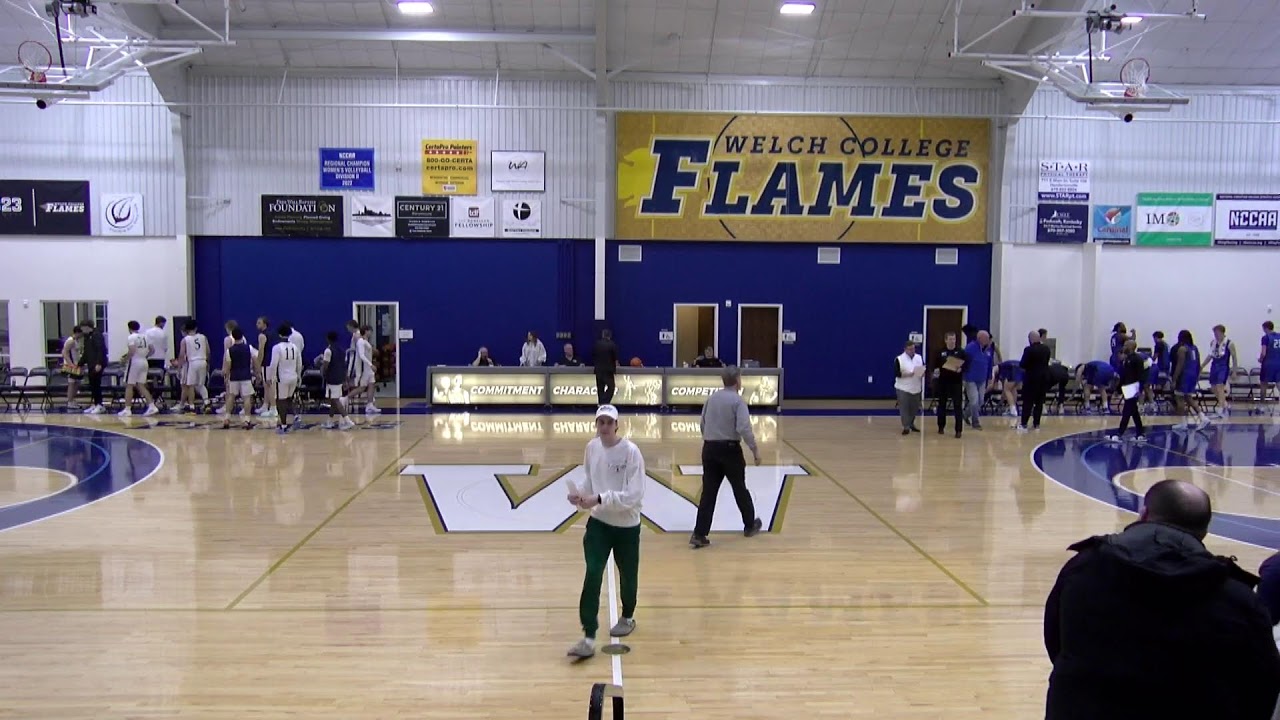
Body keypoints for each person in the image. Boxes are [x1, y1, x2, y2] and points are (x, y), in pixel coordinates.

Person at [1044, 479, 1280, 720]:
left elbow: (1056, 641)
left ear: (1143, 514)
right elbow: (1263, 680)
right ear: (1204, 531)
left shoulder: (1084, 566)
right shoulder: (1237, 596)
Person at [566, 404, 645, 659]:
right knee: (592, 572)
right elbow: (590, 478)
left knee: (628, 574)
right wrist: (579, 493)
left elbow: (633, 496)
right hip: (599, 524)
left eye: (609, 423)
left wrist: (599, 498)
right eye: (601, 422)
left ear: (617, 425)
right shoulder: (592, 448)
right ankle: (589, 635)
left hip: (626, 526)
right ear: (596, 425)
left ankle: (628, 615)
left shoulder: (631, 453)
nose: (605, 427)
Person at [690, 365, 763, 549]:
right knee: (739, 488)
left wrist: (711, 441)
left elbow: (702, 424)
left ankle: (699, 534)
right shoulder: (738, 402)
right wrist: (755, 450)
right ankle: (749, 524)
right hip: (730, 450)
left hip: (709, 449)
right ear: (737, 380)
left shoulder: (711, 399)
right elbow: (744, 429)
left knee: (708, 493)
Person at [1108, 340, 1146, 442]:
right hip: (1127, 387)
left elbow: (1141, 375)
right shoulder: (1126, 359)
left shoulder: (1137, 359)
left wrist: (1140, 388)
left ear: (1131, 347)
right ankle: (1140, 433)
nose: (1124, 346)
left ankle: (1120, 433)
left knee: (1127, 410)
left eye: (1126, 345)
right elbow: (1124, 376)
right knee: (1134, 412)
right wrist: (1118, 389)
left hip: (1134, 387)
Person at [119, 320, 159, 417]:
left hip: (134, 361)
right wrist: (145, 356)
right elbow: (152, 350)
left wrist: (125, 359)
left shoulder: (131, 337)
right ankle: (152, 406)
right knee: (141, 385)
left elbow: (132, 350)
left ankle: (127, 409)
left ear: (129, 328)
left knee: (129, 385)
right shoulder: (145, 336)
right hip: (144, 361)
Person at [268, 324, 303, 433]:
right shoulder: (295, 347)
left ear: (279, 334)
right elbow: (299, 363)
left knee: (280, 400)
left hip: (282, 378)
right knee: (289, 398)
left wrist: (270, 377)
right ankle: (296, 415)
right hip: (293, 376)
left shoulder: (277, 347)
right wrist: (298, 376)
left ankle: (283, 425)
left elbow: (273, 364)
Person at [221, 326, 256, 429]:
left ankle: (227, 418)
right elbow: (255, 360)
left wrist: (226, 377)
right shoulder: (249, 348)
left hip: (234, 376)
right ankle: (246, 420)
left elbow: (228, 365)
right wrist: (257, 373)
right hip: (246, 375)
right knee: (246, 398)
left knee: (231, 397)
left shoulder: (229, 350)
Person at [1172, 329, 1208, 431]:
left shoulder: (1182, 349)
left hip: (1184, 376)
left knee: (1179, 398)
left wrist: (1174, 379)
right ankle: (1202, 417)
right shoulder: (1194, 348)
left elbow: (1180, 365)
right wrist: (1197, 375)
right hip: (1192, 375)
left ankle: (1183, 423)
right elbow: (1198, 363)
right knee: (1188, 397)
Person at [319, 330, 354, 430]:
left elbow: (325, 366)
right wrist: (346, 378)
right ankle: (330, 421)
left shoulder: (328, 351)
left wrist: (322, 372)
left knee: (335, 400)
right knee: (333, 400)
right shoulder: (342, 350)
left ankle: (348, 421)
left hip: (332, 378)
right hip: (340, 377)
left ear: (327, 339)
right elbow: (344, 366)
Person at [1018, 330, 1051, 433]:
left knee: (1028, 402)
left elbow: (1023, 364)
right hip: (1043, 379)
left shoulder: (1028, 350)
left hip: (1031, 379)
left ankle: (1024, 424)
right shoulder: (1046, 349)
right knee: (1039, 402)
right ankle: (1036, 424)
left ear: (1030, 339)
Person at [934, 332, 966, 438]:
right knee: (942, 405)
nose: (953, 341)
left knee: (957, 406)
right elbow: (935, 365)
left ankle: (958, 430)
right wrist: (936, 370)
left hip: (956, 382)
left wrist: (962, 369)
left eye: (954, 339)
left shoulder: (960, 352)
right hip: (943, 381)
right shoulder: (941, 352)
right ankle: (941, 426)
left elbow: (967, 364)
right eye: (950, 339)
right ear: (946, 340)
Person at [174, 320, 210, 413]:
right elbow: (208, 351)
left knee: (190, 385)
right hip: (203, 360)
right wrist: (208, 362)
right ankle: (206, 402)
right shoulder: (203, 337)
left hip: (192, 362)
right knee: (201, 384)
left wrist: (179, 368)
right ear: (196, 328)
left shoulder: (185, 339)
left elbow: (182, 355)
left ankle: (192, 406)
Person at [1205, 324, 1237, 418]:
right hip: (1214, 366)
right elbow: (1210, 355)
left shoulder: (1229, 343)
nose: (1215, 334)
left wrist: (1234, 371)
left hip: (1223, 366)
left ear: (1222, 332)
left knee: (1220, 387)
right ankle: (1225, 404)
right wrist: (1202, 365)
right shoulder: (1213, 342)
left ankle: (1220, 409)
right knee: (1213, 387)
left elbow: (1234, 358)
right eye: (1214, 333)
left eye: (1216, 332)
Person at [894, 340, 925, 435]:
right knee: (904, 408)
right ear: (905, 349)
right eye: (910, 349)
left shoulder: (919, 358)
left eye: (913, 349)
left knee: (914, 408)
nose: (912, 351)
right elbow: (897, 373)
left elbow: (922, 368)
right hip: (903, 388)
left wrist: (922, 373)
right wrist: (908, 374)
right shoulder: (899, 359)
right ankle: (906, 426)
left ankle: (911, 423)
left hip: (916, 387)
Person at [963, 330, 992, 430]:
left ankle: (965, 414)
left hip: (982, 379)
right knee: (974, 401)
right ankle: (975, 422)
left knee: (980, 401)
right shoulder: (970, 348)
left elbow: (989, 365)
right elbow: (964, 362)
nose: (988, 340)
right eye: (986, 338)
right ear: (980, 338)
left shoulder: (988, 349)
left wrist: (990, 378)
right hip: (971, 378)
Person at [77, 321, 107, 415]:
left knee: (96, 384)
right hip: (91, 363)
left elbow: (100, 350)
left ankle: (100, 405)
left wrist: (99, 363)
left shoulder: (97, 335)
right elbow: (86, 352)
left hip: (97, 363)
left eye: (82, 328)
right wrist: (80, 364)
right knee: (92, 384)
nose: (81, 330)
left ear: (87, 327)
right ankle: (95, 403)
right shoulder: (87, 337)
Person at [255, 316, 278, 419]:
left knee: (269, 385)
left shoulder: (262, 336)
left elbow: (261, 351)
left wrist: (258, 364)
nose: (257, 324)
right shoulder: (273, 333)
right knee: (266, 385)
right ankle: (265, 405)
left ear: (264, 324)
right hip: (272, 361)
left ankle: (273, 408)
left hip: (267, 362)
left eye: (259, 323)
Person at [593, 329, 619, 406]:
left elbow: (593, 355)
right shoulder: (612, 345)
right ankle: (605, 402)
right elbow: (615, 358)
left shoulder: (597, 344)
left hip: (598, 370)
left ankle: (601, 404)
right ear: (610, 336)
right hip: (608, 370)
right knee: (611, 387)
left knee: (600, 388)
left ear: (603, 335)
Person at [60, 326, 83, 411]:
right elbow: (64, 353)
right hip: (71, 365)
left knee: (77, 383)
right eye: (81, 334)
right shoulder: (70, 341)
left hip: (76, 365)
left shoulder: (76, 341)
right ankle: (69, 401)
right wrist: (71, 364)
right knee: (72, 384)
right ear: (77, 333)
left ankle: (72, 400)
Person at [1262, 321, 1280, 409]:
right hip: (1278, 362)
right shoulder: (1279, 336)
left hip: (1268, 363)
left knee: (1264, 384)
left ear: (1266, 328)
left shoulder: (1265, 338)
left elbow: (1263, 353)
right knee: (1278, 383)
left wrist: (1260, 359)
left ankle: (1262, 405)